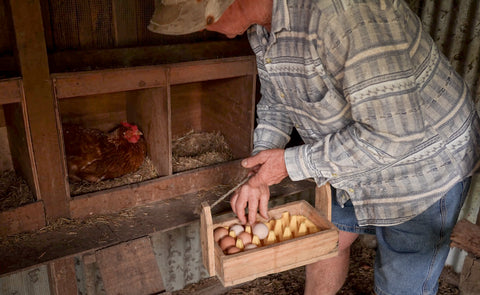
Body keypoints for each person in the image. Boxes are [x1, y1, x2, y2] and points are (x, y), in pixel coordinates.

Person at [149, 0, 480, 294]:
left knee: (401, 281)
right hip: (347, 157)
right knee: (325, 242)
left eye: (205, 21)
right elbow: (278, 102)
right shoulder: (262, 31)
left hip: (421, 164)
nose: (209, 30)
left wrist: (291, 164)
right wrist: (259, 173)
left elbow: (392, 136)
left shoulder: (343, 16)